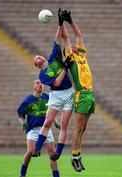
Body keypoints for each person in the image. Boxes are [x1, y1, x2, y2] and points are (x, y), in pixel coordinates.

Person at [32, 9, 73, 161]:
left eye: (39, 56)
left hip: (69, 93)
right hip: (56, 95)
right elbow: (56, 82)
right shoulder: (42, 75)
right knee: (48, 122)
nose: (39, 57)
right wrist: (65, 68)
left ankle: (58, 153)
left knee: (64, 125)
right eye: (36, 59)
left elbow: (58, 38)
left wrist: (60, 22)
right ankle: (37, 148)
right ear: (37, 65)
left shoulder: (54, 57)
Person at [61, 10, 96, 172]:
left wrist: (71, 21)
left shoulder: (81, 54)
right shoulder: (70, 57)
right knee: (78, 126)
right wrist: (61, 24)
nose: (74, 46)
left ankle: (78, 154)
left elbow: (79, 36)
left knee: (84, 128)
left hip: (90, 94)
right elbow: (67, 39)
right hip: (81, 94)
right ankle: (74, 156)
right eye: (71, 47)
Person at [17, 79, 60, 177]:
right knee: (30, 151)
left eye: (41, 83)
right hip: (33, 129)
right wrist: (23, 123)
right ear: (33, 86)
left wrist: (56, 122)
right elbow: (20, 115)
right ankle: (22, 174)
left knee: (53, 154)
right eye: (37, 83)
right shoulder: (27, 101)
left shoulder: (47, 98)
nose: (40, 85)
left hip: (46, 128)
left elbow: (52, 112)